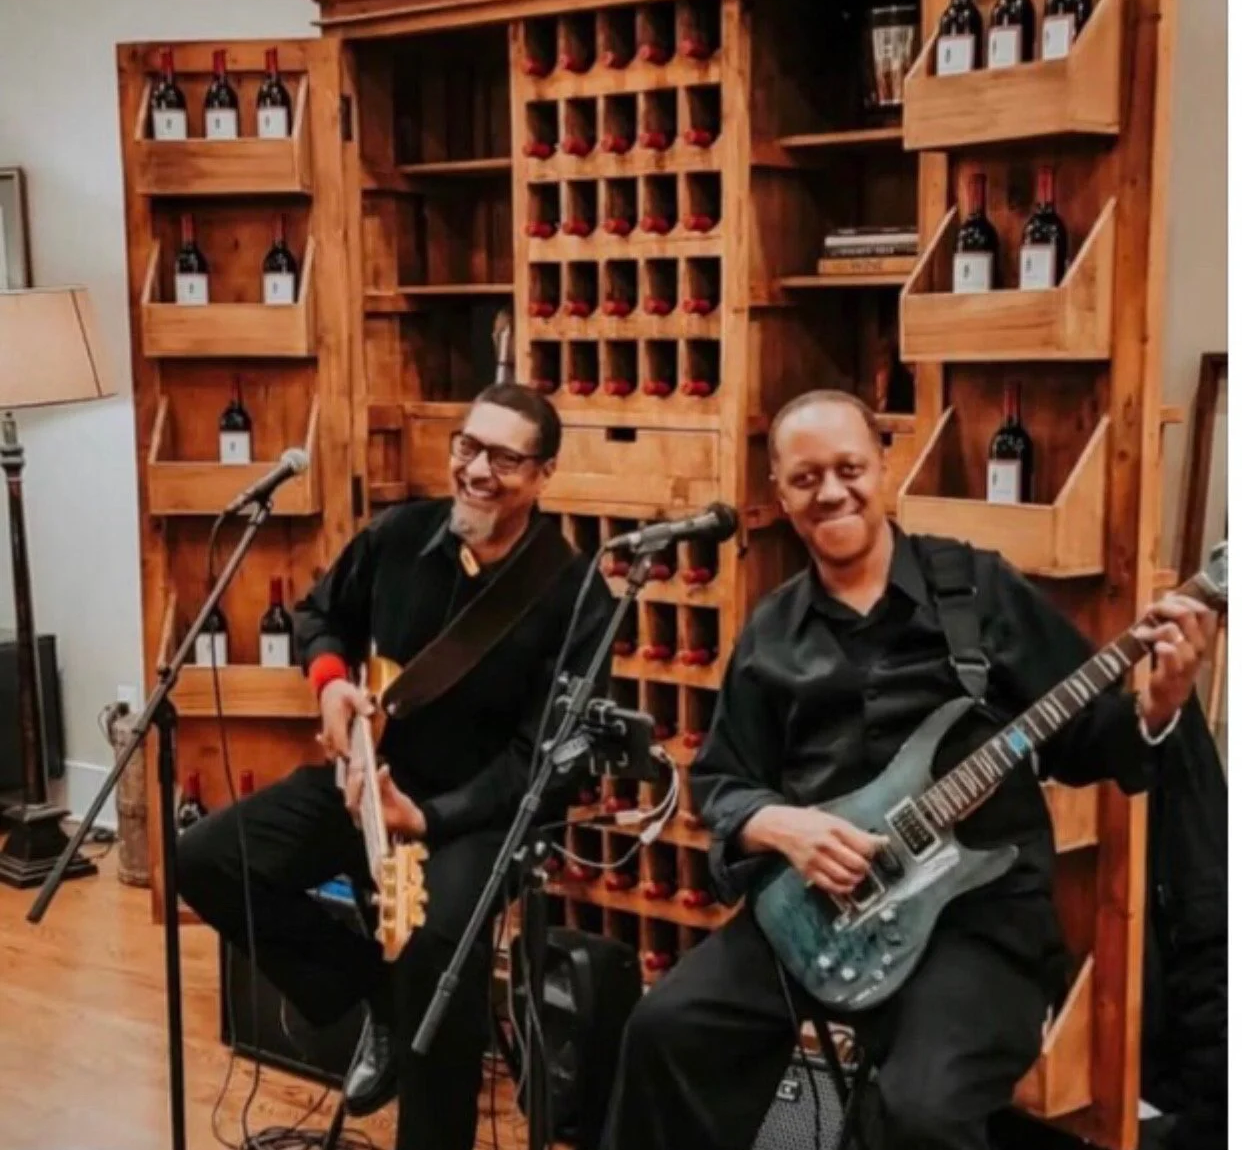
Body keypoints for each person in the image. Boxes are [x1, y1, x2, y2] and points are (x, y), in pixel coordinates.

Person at [600, 389, 1215, 1150]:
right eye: (806, 477)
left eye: (849, 467)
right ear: (780, 494)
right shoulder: (771, 632)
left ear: (883, 464)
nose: (831, 491)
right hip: (821, 914)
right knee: (665, 1030)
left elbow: (1087, 737)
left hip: (974, 924)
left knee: (921, 1115)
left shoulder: (976, 590)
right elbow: (721, 782)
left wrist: (1159, 702)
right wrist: (780, 825)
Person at [177, 382, 612, 1150]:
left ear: (543, 474)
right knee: (209, 857)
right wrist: (332, 683)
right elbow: (320, 615)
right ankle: (370, 988)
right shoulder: (398, 536)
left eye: (505, 458)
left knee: (436, 951)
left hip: (477, 816)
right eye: (468, 447)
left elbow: (544, 763)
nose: (478, 470)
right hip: (370, 782)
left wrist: (431, 818)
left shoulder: (576, 595)